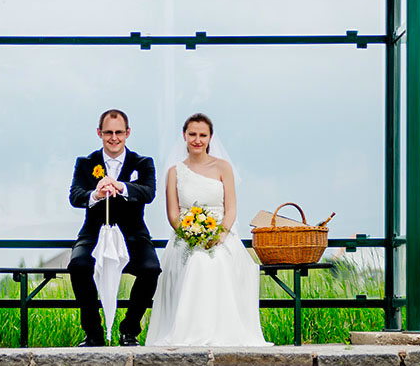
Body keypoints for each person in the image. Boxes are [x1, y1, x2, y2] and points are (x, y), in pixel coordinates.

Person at [145, 113, 272, 347]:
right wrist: (190, 234)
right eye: (192, 134)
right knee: (196, 261)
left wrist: (220, 234)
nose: (197, 140)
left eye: (202, 135)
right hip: (185, 237)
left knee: (215, 262)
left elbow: (231, 209)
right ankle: (188, 332)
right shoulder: (174, 171)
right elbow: (173, 214)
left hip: (221, 235)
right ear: (184, 135)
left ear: (210, 137)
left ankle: (220, 332)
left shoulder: (223, 167)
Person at [68, 109, 161, 347]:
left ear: (128, 133)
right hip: (93, 233)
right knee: (78, 265)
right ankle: (93, 332)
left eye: (119, 132)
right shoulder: (85, 163)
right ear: (99, 133)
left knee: (151, 269)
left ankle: (129, 331)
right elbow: (75, 196)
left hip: (133, 234)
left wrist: (121, 186)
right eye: (108, 132)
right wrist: (97, 194)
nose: (114, 137)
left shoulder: (143, 163)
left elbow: (148, 193)